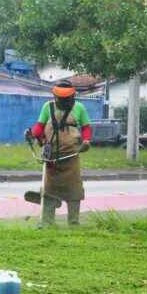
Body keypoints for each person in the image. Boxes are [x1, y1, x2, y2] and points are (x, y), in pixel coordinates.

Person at [25, 80, 92, 227]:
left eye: (66, 98)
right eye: (60, 98)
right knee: (49, 190)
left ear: (72, 96)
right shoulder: (47, 107)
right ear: (55, 96)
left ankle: (73, 222)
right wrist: (32, 134)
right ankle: (47, 222)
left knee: (74, 190)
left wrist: (86, 141)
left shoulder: (79, 108)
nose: (62, 100)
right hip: (52, 157)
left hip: (71, 156)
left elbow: (86, 128)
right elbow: (40, 126)